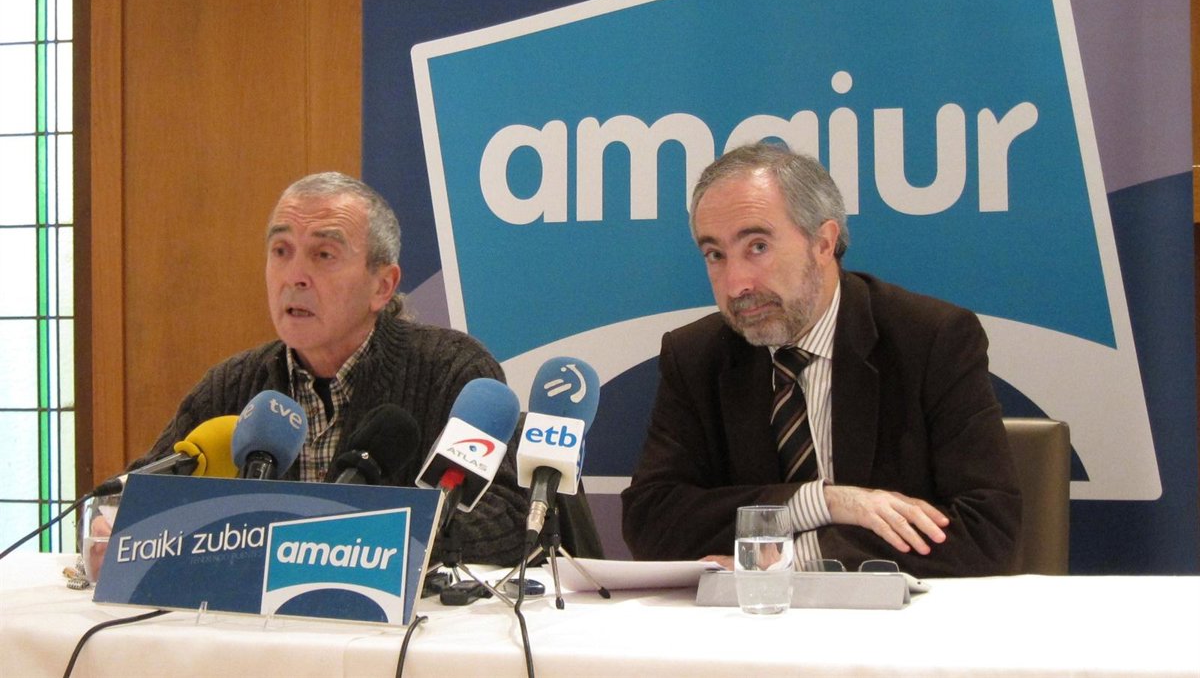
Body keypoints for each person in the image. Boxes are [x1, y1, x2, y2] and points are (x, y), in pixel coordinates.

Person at [621, 144, 1021, 577]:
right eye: (715, 255)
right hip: (747, 619)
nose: (736, 285)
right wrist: (820, 502)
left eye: (757, 246)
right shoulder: (696, 356)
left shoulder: (930, 339)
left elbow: (986, 529)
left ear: (823, 243)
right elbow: (650, 521)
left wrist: (793, 559)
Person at [132, 171, 526, 566]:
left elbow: (506, 519)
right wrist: (116, 527)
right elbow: (142, 500)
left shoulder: (452, 372)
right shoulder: (232, 385)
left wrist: (340, 546)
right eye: (281, 251)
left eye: (323, 255)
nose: (294, 277)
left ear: (382, 286)